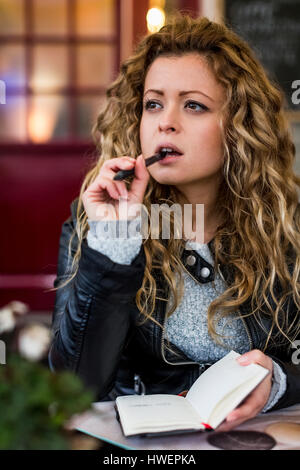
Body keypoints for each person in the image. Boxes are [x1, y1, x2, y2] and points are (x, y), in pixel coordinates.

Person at [49, 14, 300, 431]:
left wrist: (279, 382)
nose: (166, 121)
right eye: (153, 103)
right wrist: (115, 242)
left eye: (194, 105)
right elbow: (76, 384)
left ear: (238, 127)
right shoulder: (98, 225)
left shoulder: (287, 223)